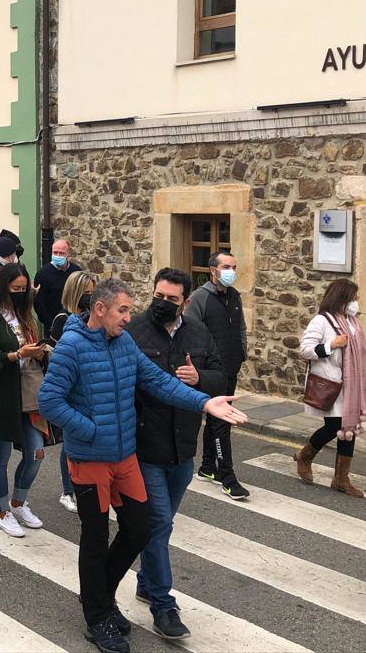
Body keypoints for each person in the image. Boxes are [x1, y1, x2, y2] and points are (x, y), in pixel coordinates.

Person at [38, 278, 247, 653]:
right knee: (96, 537)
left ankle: (97, 596)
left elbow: (158, 382)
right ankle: (98, 616)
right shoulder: (71, 347)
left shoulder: (124, 343)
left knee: (138, 528)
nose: (128, 316)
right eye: (122, 309)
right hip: (90, 461)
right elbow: (50, 401)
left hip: (125, 456)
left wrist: (204, 402)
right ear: (99, 309)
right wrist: (90, 429)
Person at [125, 268, 227, 639]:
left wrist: (200, 379)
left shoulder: (198, 333)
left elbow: (221, 375)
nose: (162, 303)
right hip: (145, 445)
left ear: (185, 302)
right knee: (158, 523)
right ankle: (163, 606)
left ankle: (146, 580)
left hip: (184, 448)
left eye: (171, 299)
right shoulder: (133, 331)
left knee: (161, 526)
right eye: (158, 295)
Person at [0, 262, 49, 537]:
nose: (20, 293)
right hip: (0, 397)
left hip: (28, 395)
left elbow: (33, 351)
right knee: (0, 457)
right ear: (3, 288)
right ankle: (3, 511)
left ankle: (18, 502)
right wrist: (17, 355)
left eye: (23, 289)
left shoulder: (26, 316)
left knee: (36, 453)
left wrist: (39, 353)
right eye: (15, 288)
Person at [295, 279, 366, 497]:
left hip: (352, 387)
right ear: (343, 298)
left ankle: (341, 479)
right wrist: (331, 345)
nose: (357, 301)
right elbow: (305, 349)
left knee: (349, 430)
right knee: (335, 427)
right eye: (354, 297)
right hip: (332, 384)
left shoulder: (352, 321)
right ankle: (305, 455)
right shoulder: (322, 321)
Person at [184, 250, 250, 499]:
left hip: (231, 367)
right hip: (211, 372)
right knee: (223, 421)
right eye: (226, 267)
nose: (231, 271)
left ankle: (207, 466)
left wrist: (242, 352)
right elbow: (190, 333)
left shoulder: (233, 296)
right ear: (213, 270)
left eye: (234, 266)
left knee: (216, 419)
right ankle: (228, 476)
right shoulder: (200, 298)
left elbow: (241, 326)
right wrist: (201, 369)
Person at [47, 270, 98, 513]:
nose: (90, 297)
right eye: (86, 293)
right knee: (70, 441)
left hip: (92, 389)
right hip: (71, 389)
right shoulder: (62, 319)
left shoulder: (96, 318)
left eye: (92, 292)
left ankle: (85, 484)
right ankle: (68, 491)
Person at [33, 238, 83, 332]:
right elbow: (39, 303)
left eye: (61, 253)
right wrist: (51, 325)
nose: (58, 256)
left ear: (68, 253)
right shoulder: (43, 274)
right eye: (55, 253)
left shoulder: (76, 271)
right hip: (53, 327)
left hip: (74, 325)